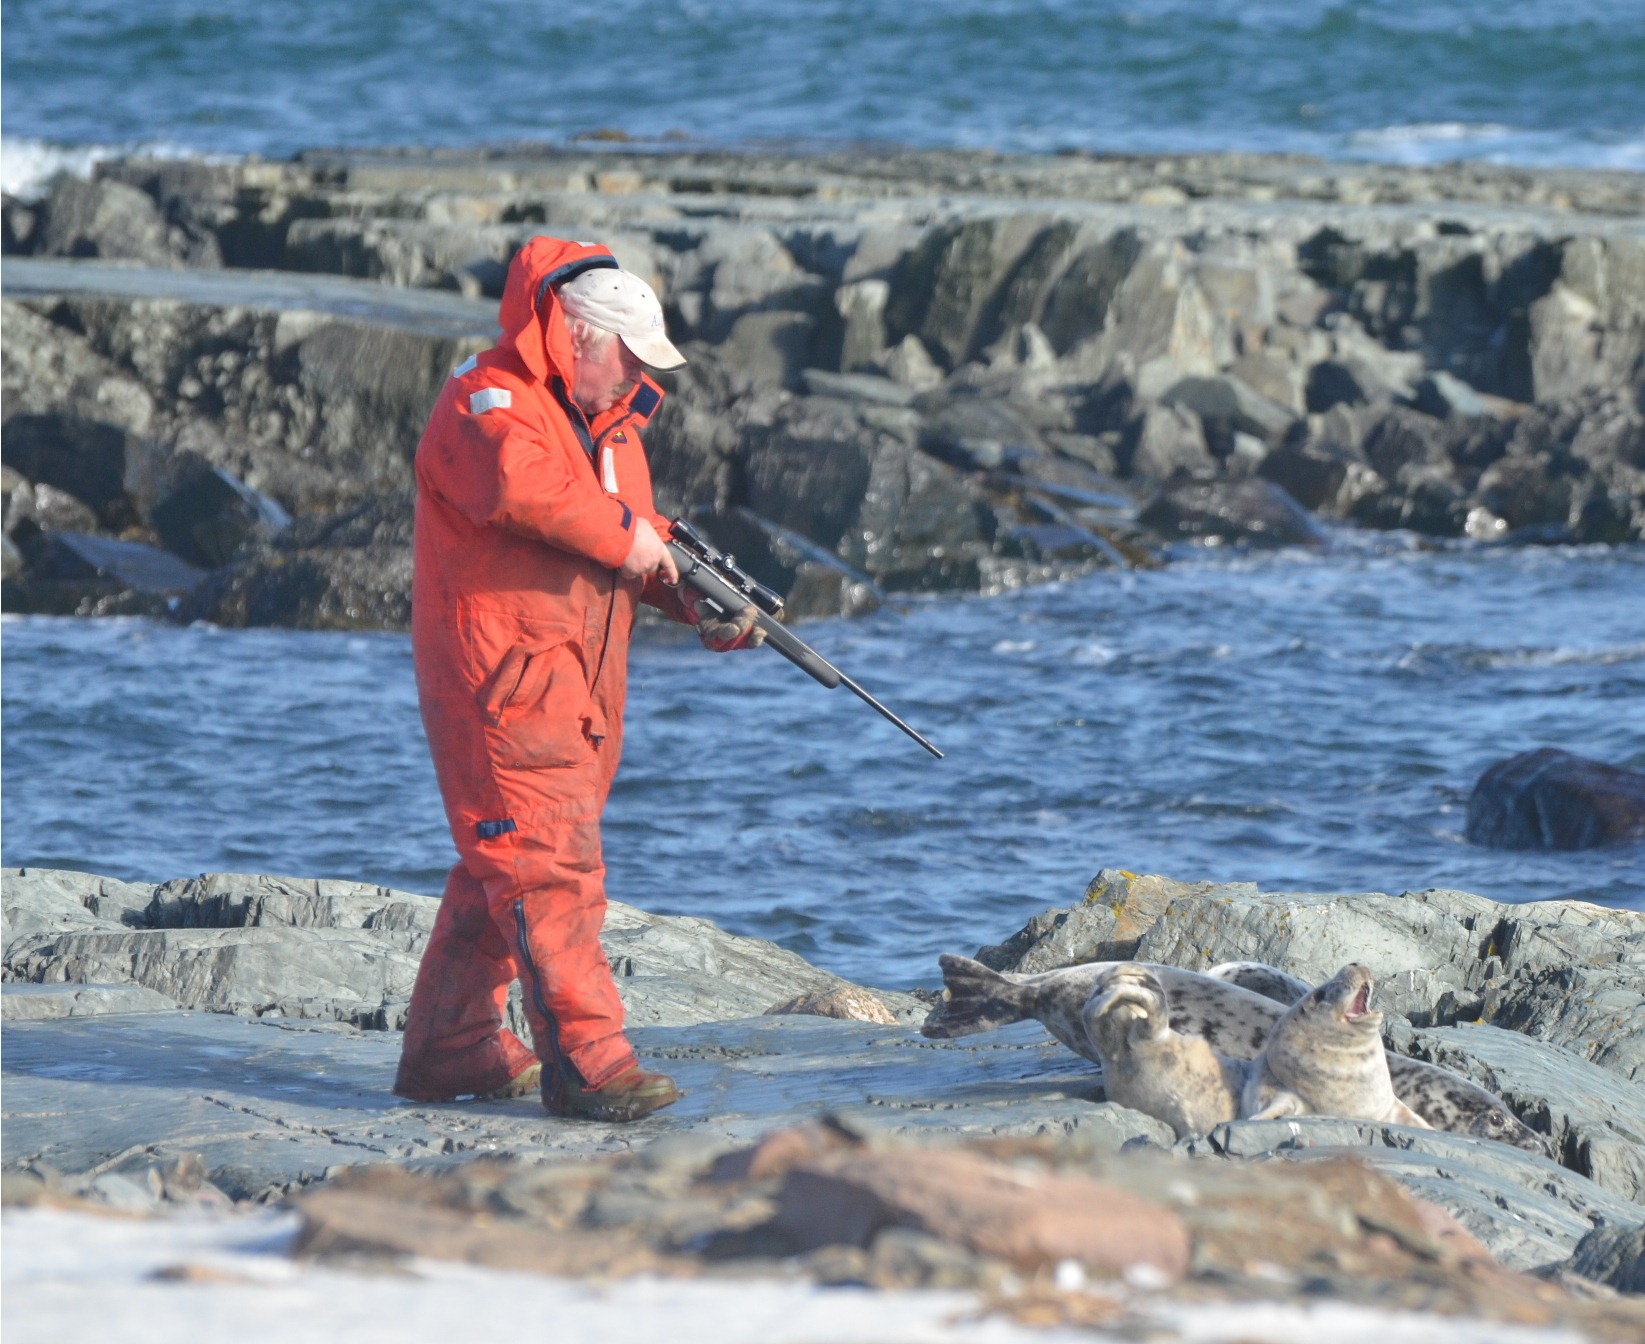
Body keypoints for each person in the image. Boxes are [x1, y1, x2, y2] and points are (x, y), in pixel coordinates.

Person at [392, 236, 763, 1122]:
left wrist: (697, 598)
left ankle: (452, 1048)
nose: (638, 375)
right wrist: (635, 540)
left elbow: (633, 537)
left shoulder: (613, 426)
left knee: (504, 863)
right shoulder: (485, 398)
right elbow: (524, 489)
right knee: (548, 868)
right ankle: (591, 1065)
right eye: (629, 355)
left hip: (579, 689)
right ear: (578, 337)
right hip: (502, 683)